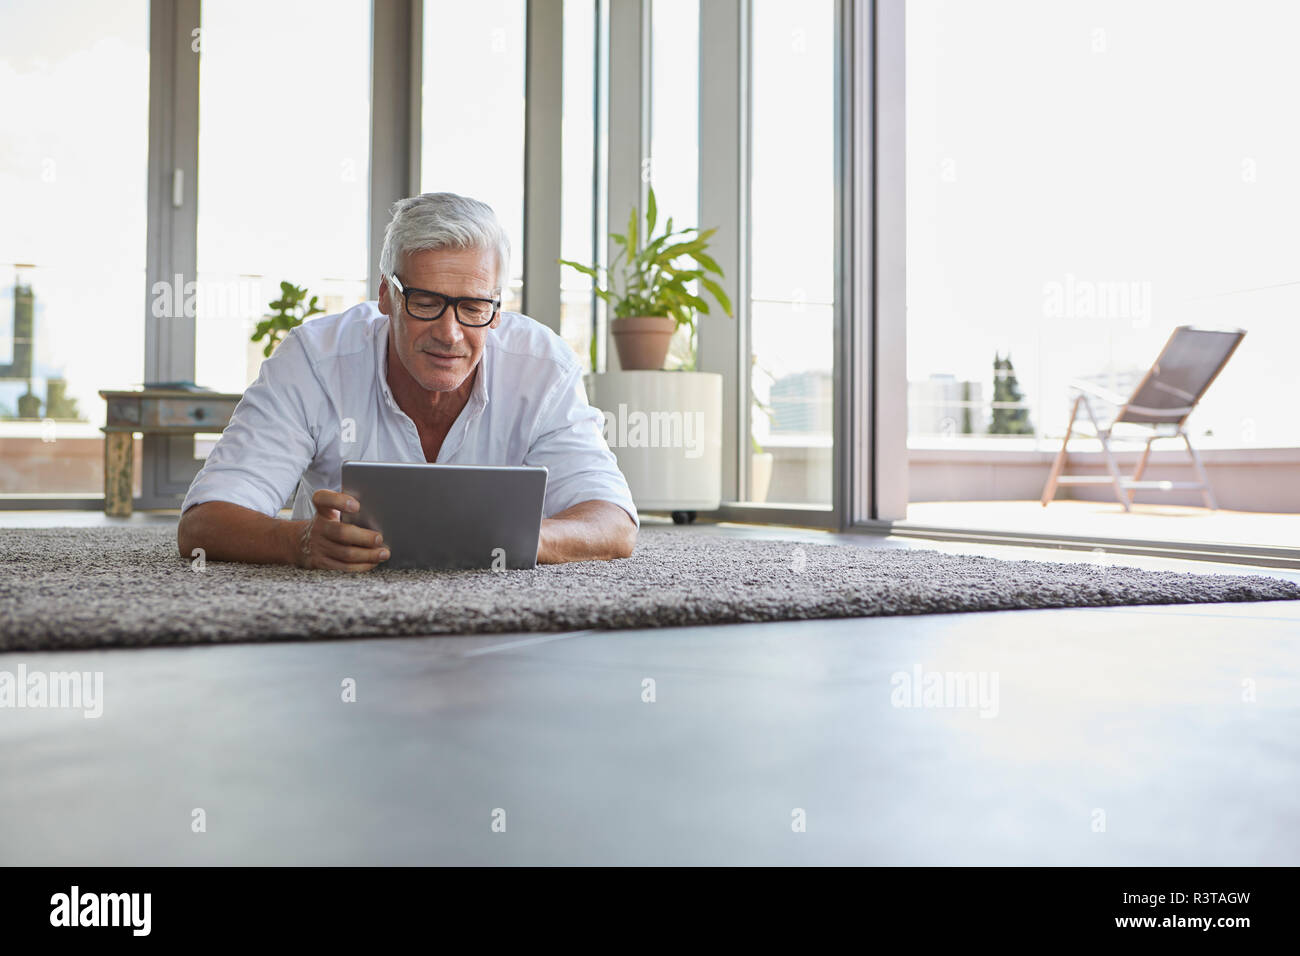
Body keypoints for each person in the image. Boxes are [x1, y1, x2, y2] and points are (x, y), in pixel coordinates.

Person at [177, 192, 638, 570]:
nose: (449, 333)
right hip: (340, 616)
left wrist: (519, 539)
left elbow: (612, 522)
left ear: (496, 309)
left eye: (473, 307)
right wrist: (295, 541)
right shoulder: (315, 359)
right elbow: (203, 523)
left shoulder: (543, 368)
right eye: (424, 301)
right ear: (386, 296)